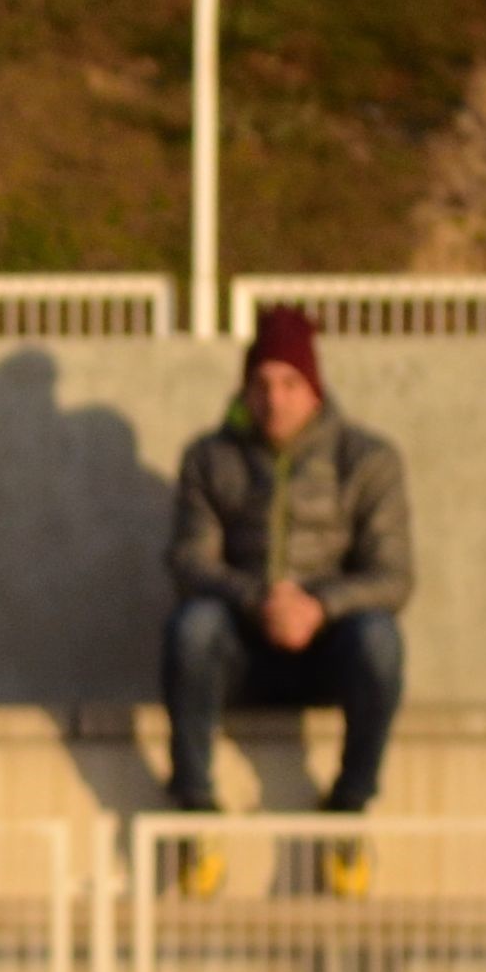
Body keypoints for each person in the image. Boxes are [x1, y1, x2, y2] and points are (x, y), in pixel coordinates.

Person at [162, 305, 412, 900]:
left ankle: (348, 811)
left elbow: (393, 575)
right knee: (192, 627)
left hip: (329, 650)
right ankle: (195, 817)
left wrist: (317, 606)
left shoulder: (368, 459)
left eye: (289, 383)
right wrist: (259, 600)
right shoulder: (209, 459)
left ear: (314, 386)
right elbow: (189, 561)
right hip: (243, 648)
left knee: (380, 639)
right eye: (262, 384)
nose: (275, 399)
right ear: (245, 388)